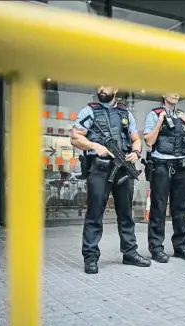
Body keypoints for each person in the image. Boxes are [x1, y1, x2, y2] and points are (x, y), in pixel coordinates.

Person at [70, 85, 151, 274]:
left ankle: (130, 253)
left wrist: (136, 152)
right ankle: (90, 257)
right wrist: (94, 146)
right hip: (99, 168)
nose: (101, 88)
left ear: (114, 88)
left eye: (105, 85)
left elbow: (136, 139)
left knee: (126, 214)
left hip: (123, 169)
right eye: (99, 85)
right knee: (94, 214)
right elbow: (75, 137)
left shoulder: (125, 113)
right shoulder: (89, 111)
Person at [143, 93, 185, 263]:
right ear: (164, 94)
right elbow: (149, 141)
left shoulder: (182, 116)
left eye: (177, 91)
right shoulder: (154, 114)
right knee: (158, 208)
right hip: (161, 166)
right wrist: (160, 121)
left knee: (180, 208)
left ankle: (181, 247)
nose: (175, 94)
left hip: (182, 166)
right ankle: (156, 248)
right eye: (171, 90)